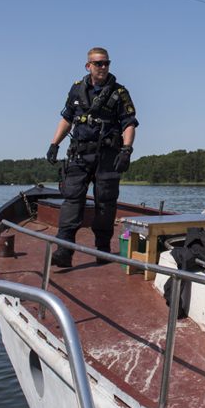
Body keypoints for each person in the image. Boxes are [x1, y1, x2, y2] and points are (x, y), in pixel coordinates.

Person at [46, 47, 138, 268]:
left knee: (105, 203)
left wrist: (127, 150)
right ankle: (64, 250)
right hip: (80, 154)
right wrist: (54, 144)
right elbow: (67, 118)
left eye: (106, 63)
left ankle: (103, 250)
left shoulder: (119, 92)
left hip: (108, 156)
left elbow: (129, 123)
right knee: (72, 200)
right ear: (88, 66)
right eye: (98, 64)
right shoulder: (77, 90)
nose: (103, 67)